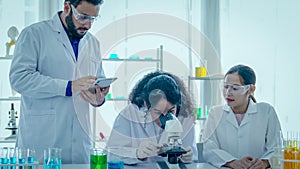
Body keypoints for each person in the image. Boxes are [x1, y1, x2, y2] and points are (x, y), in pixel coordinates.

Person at [9, 0, 108, 164]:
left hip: (80, 143)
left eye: (93, 19)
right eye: (83, 17)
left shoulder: (93, 43)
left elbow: (96, 80)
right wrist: (68, 87)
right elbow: (19, 79)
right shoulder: (34, 34)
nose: (88, 25)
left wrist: (99, 98)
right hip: (42, 142)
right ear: (67, 7)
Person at [107, 71, 198, 165]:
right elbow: (111, 155)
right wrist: (136, 153)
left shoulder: (185, 117)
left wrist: (188, 157)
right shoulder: (130, 114)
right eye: (158, 112)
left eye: (171, 111)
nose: (165, 118)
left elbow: (194, 158)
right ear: (146, 104)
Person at [202, 64, 282, 169]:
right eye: (226, 87)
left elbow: (276, 148)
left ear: (251, 89)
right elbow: (209, 148)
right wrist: (232, 162)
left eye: (235, 88)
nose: (228, 93)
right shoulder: (215, 113)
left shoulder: (266, 111)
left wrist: (264, 162)